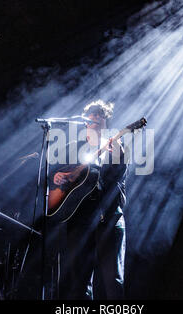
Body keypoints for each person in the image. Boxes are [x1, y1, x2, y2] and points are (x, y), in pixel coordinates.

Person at [51, 100, 128, 300]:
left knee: (113, 282)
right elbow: (56, 176)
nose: (93, 120)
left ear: (106, 122)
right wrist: (58, 177)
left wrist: (118, 157)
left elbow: (118, 179)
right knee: (80, 284)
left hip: (109, 219)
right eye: (91, 117)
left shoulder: (116, 146)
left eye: (99, 117)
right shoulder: (72, 147)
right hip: (80, 219)